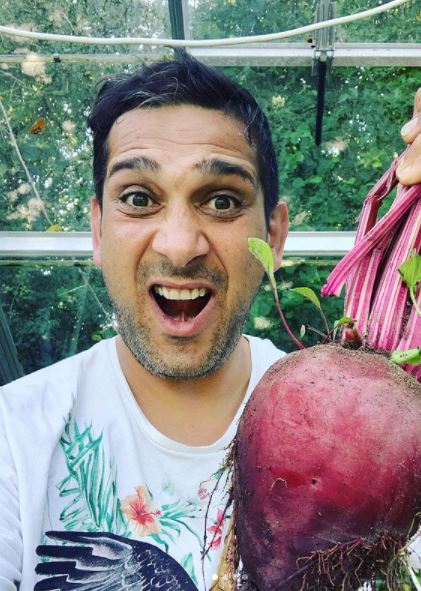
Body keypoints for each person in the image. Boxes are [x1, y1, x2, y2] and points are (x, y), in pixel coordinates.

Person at [0, 55, 419, 591]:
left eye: (221, 201)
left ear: (274, 233)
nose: (179, 246)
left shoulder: (385, 448)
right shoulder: (15, 439)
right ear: (98, 231)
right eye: (137, 198)